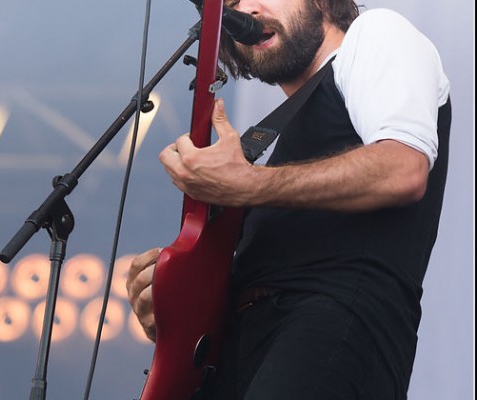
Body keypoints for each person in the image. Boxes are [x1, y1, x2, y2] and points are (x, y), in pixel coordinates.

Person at [126, 0, 451, 399]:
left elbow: (403, 169)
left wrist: (248, 184)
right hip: (247, 354)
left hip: (332, 330)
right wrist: (176, 305)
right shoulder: (283, 143)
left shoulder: (377, 33)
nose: (246, 11)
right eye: (229, 6)